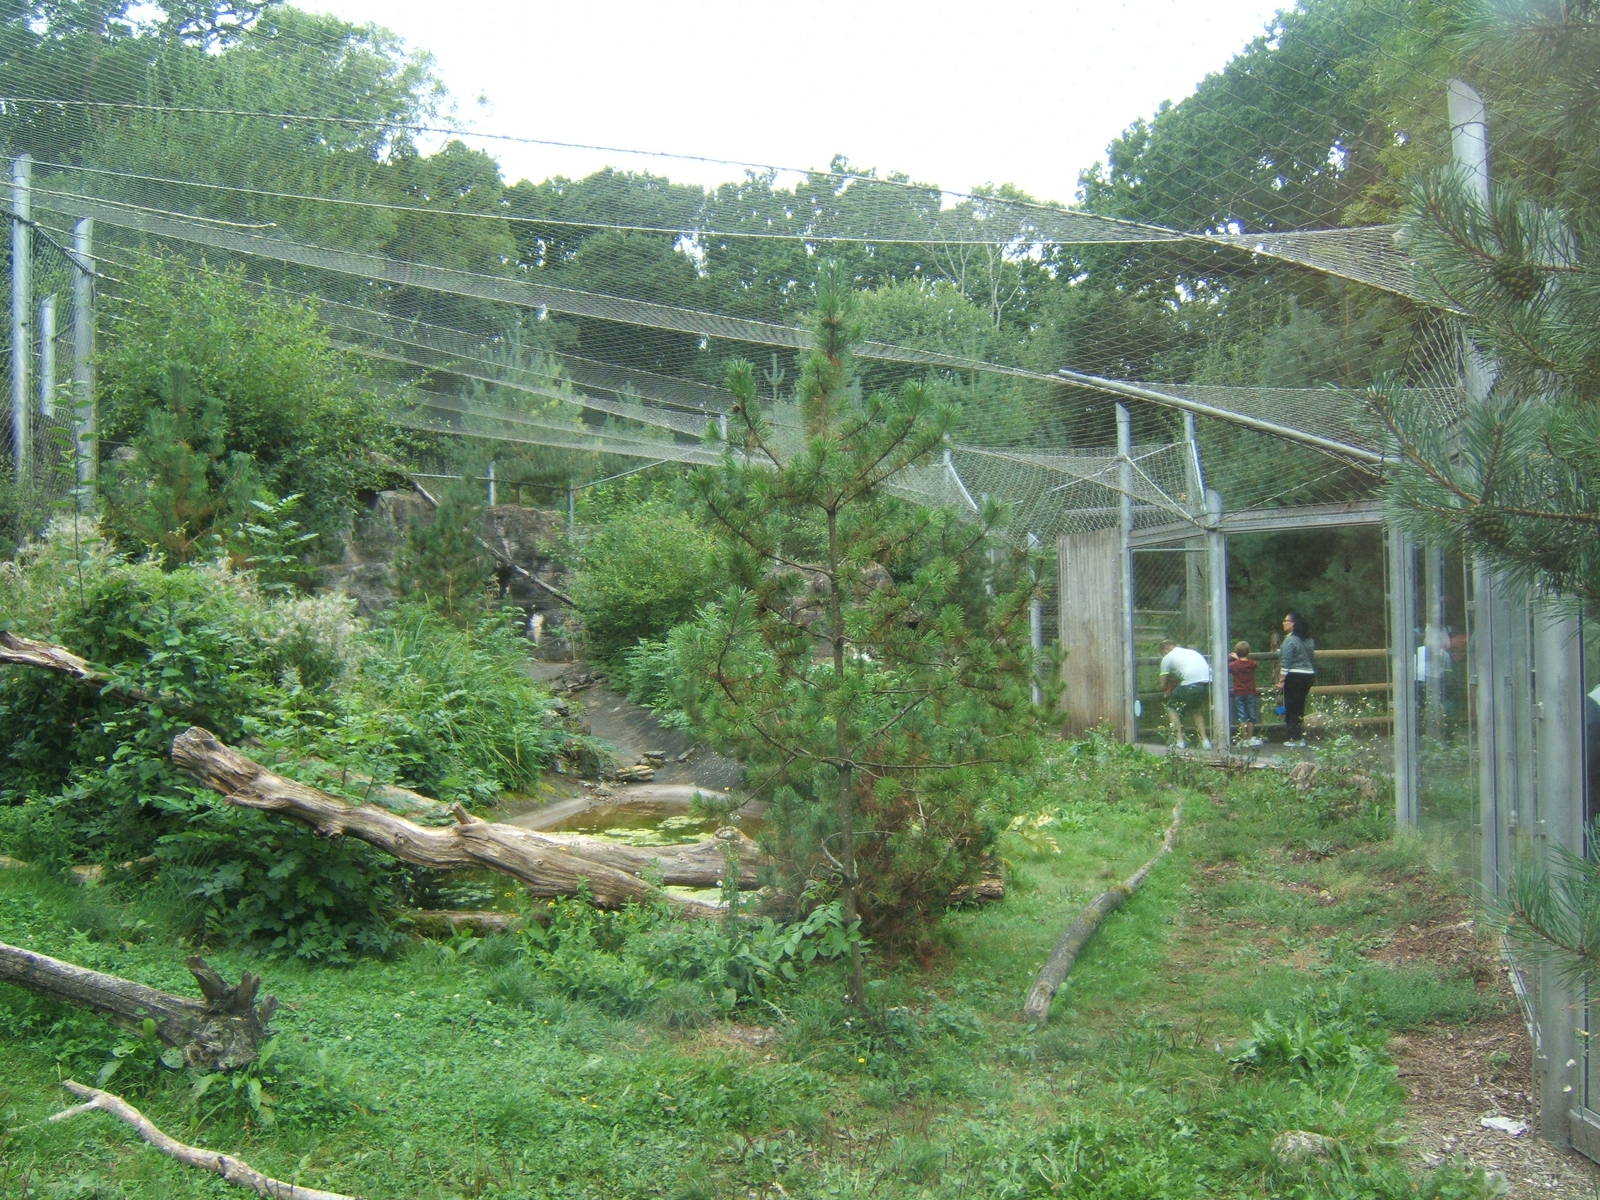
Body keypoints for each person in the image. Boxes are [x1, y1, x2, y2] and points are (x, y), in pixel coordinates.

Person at [1159, 639, 1213, 750]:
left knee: (1171, 707)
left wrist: (1166, 689)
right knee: (1195, 709)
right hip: (1206, 682)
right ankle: (1205, 741)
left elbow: (1162, 683)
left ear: (1165, 649)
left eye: (1162, 653)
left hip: (1190, 683)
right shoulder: (1191, 652)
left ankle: (1179, 740)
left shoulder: (1167, 658)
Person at [1277, 612, 1316, 747]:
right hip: (1308, 674)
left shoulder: (1290, 640)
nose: (1283, 623)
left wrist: (1281, 680)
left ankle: (1293, 737)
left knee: (1291, 706)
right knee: (1299, 707)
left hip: (1294, 675)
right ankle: (1299, 736)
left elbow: (1286, 661)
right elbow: (1311, 657)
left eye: (1285, 620)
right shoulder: (1308, 639)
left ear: (1292, 624)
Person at [1229, 641, 1263, 746]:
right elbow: (1256, 664)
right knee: (1251, 715)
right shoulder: (1251, 664)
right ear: (1248, 652)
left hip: (1239, 692)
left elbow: (1230, 667)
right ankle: (1250, 737)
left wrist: (1236, 659)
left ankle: (1243, 739)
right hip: (1250, 692)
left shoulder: (1233, 665)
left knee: (1242, 715)